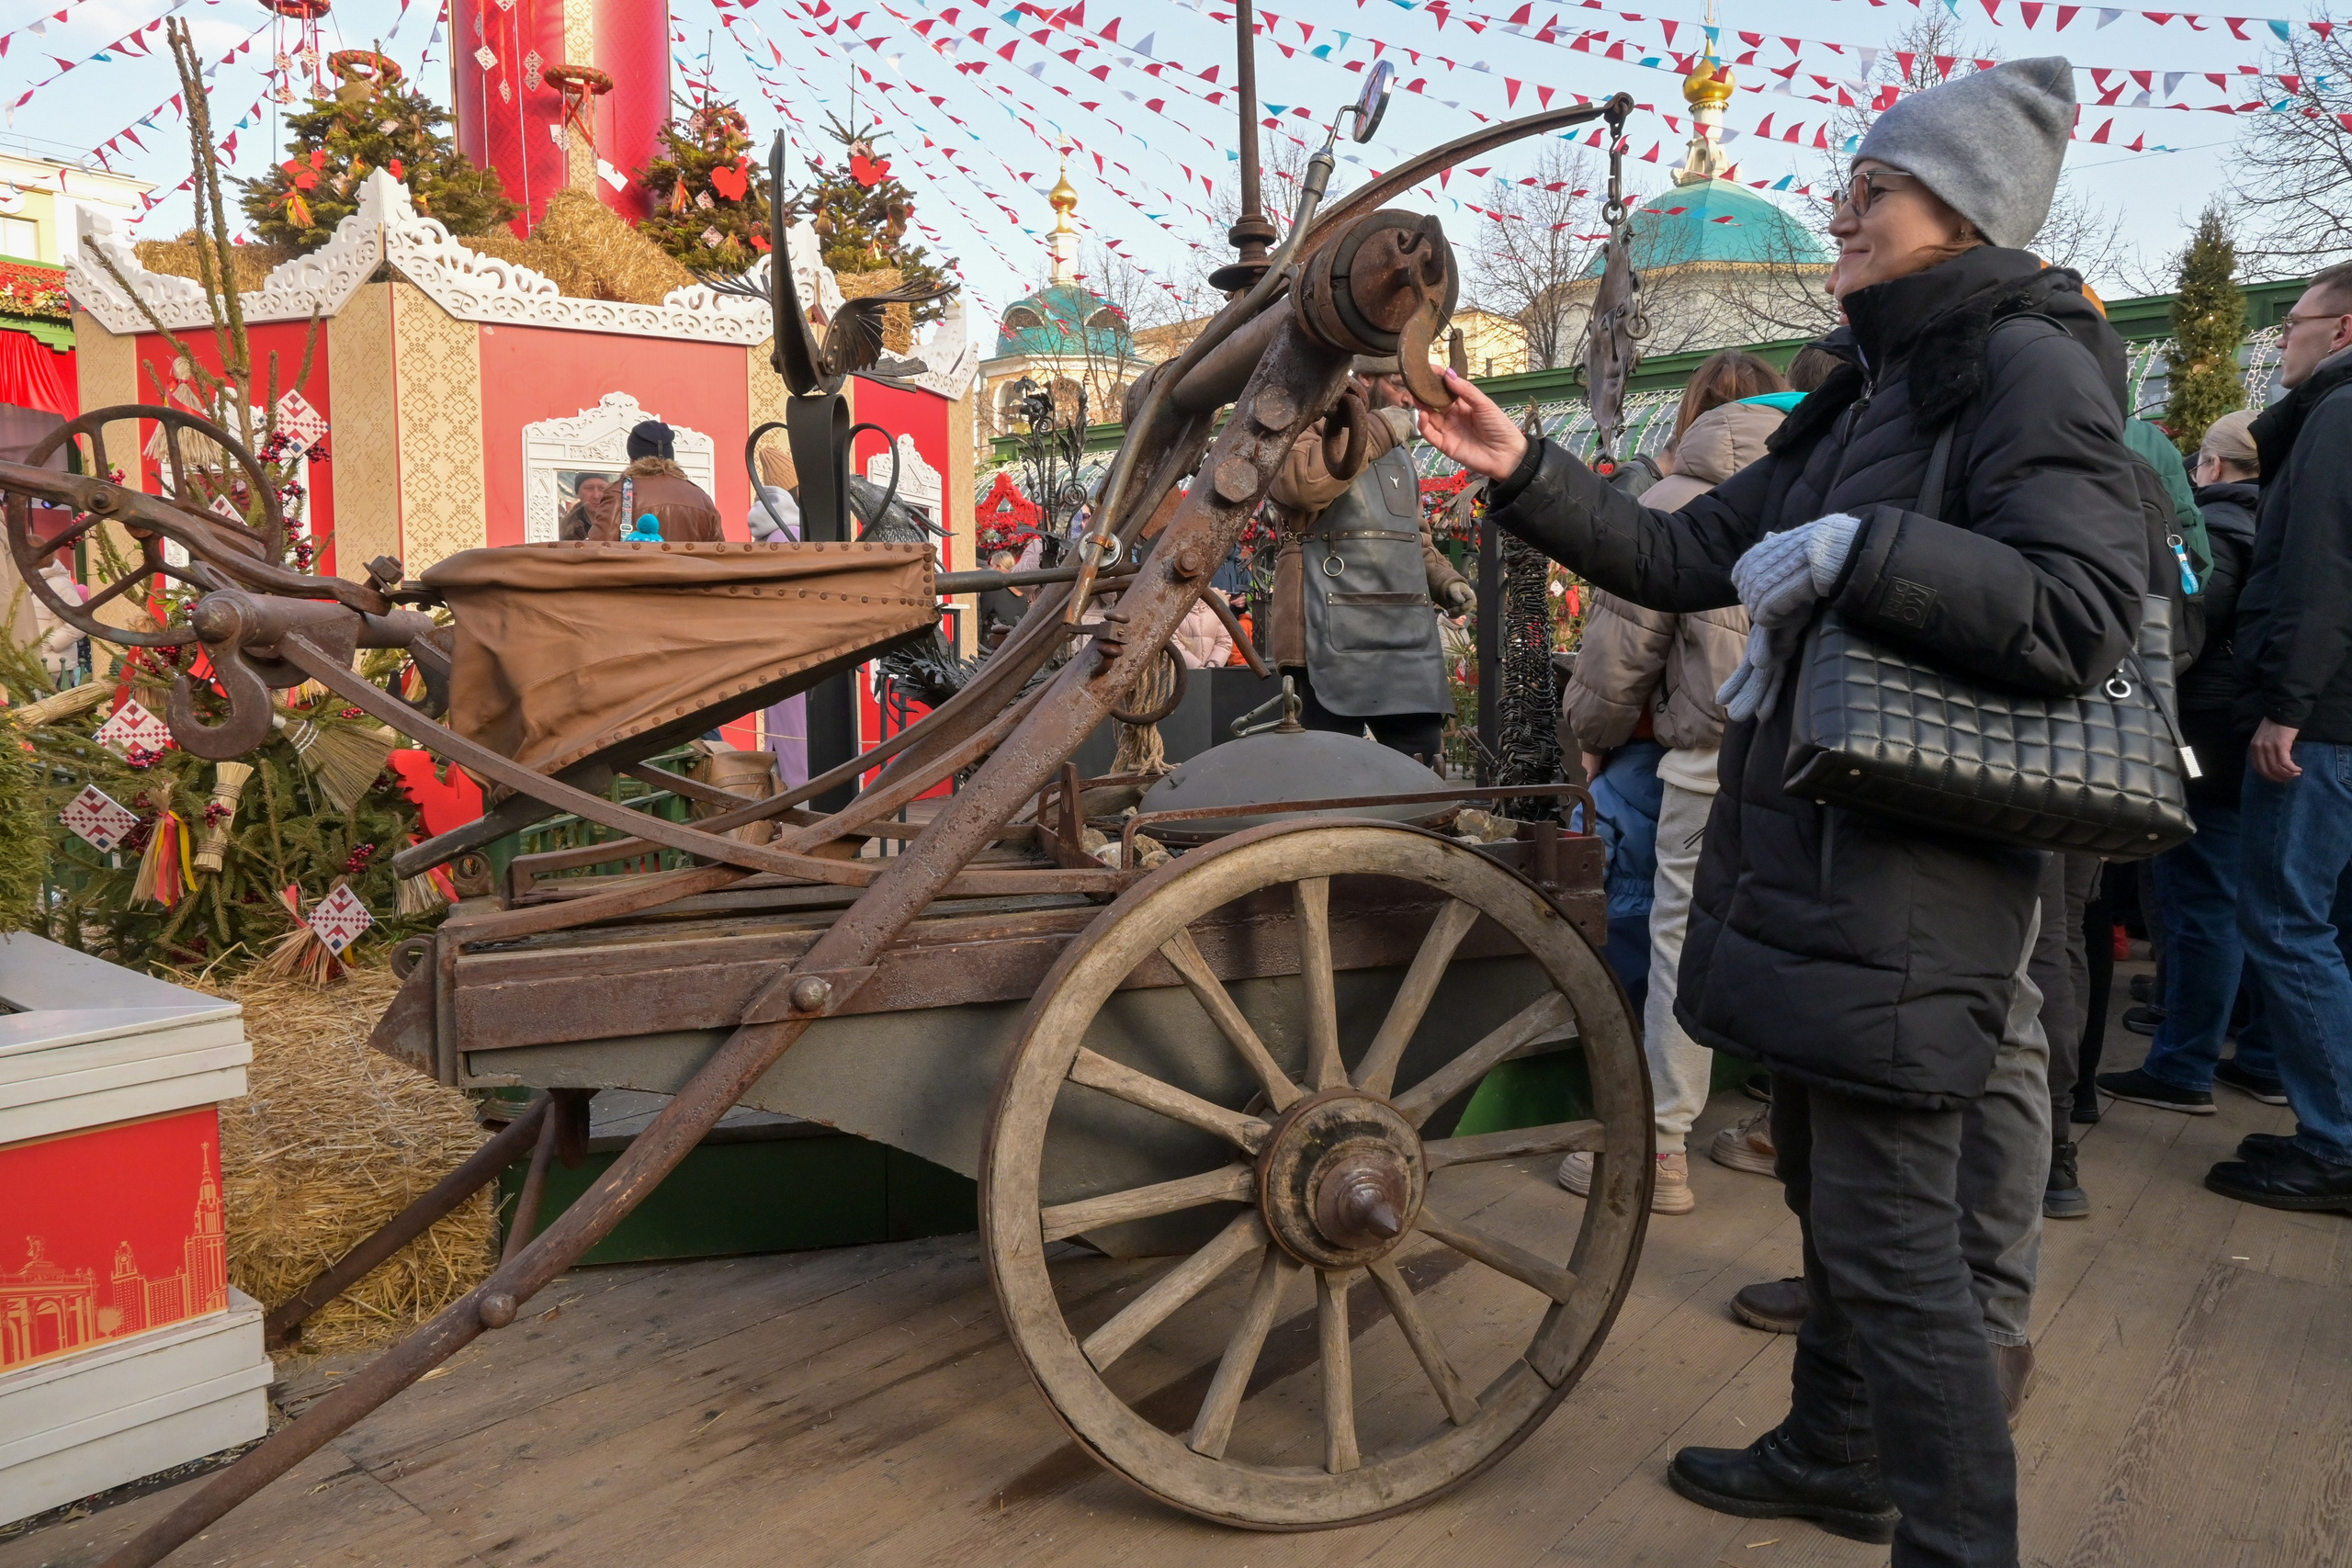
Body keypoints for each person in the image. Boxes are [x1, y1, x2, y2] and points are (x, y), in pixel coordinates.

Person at [1419, 58, 2143, 1562]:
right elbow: (1693, 556)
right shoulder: (1874, 385)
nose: (1846, 214)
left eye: (1871, 190)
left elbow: (2080, 611)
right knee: (1827, 1189)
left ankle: (1958, 1539)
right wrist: (1526, 470)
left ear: (1959, 204)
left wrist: (1860, 552)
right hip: (1817, 860)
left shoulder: (2025, 367)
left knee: (1891, 1252)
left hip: (1910, 873)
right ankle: (1831, 1448)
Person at [1555, 348, 1789, 1216]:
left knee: (1673, 937)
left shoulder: (1676, 501)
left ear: (1694, 414)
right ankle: (1786, 1132)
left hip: (1698, 757)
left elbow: (1621, 651)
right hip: (1801, 758)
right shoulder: (1831, 481)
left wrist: (1591, 739)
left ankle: (1661, 1146)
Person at [2203, 260, 2352, 1215]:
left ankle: (2335, 1142)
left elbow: (2317, 571)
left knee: (2287, 923)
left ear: (2339, 331)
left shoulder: (2337, 419)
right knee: (2320, 926)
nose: (2280, 342)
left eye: (2292, 323)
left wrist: (2287, 705)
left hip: (2322, 725)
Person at [2096, 410, 2283, 1115]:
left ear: (2213, 467)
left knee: (2200, 901)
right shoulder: (2275, 522)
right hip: (2246, 734)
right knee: (2259, 903)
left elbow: (2185, 627)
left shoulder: (2219, 533)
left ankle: (2183, 1063)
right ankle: (2260, 1056)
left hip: (2207, 735)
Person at [1265, 355, 1475, 762]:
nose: (1409, 399)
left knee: (1420, 758)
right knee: (1329, 763)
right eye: (1400, 384)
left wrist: (1444, 579)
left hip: (1402, 638)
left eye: (1415, 391)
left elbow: (1414, 538)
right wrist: (1377, 430)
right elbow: (1300, 486)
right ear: (1364, 377)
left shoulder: (1400, 452)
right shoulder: (1310, 422)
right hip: (1326, 633)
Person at [586, 420, 723, 543]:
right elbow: (718, 554)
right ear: (671, 456)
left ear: (632, 458)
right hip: (690, 571)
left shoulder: (619, 494)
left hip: (638, 571)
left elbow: (597, 549)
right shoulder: (701, 497)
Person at [560, 475, 610, 542]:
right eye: (589, 488)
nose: (596, 496)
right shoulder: (564, 529)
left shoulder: (622, 525)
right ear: (578, 494)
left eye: (602, 488)